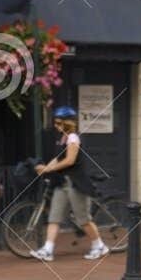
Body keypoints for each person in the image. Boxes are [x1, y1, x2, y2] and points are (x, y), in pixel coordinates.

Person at [31, 105, 109, 263]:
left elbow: (69, 160)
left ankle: (99, 245)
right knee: (54, 217)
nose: (56, 125)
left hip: (75, 184)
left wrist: (50, 169)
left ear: (67, 123)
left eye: (58, 122)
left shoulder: (73, 138)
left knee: (83, 219)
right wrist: (46, 168)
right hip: (62, 184)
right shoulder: (62, 138)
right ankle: (48, 250)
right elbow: (58, 158)